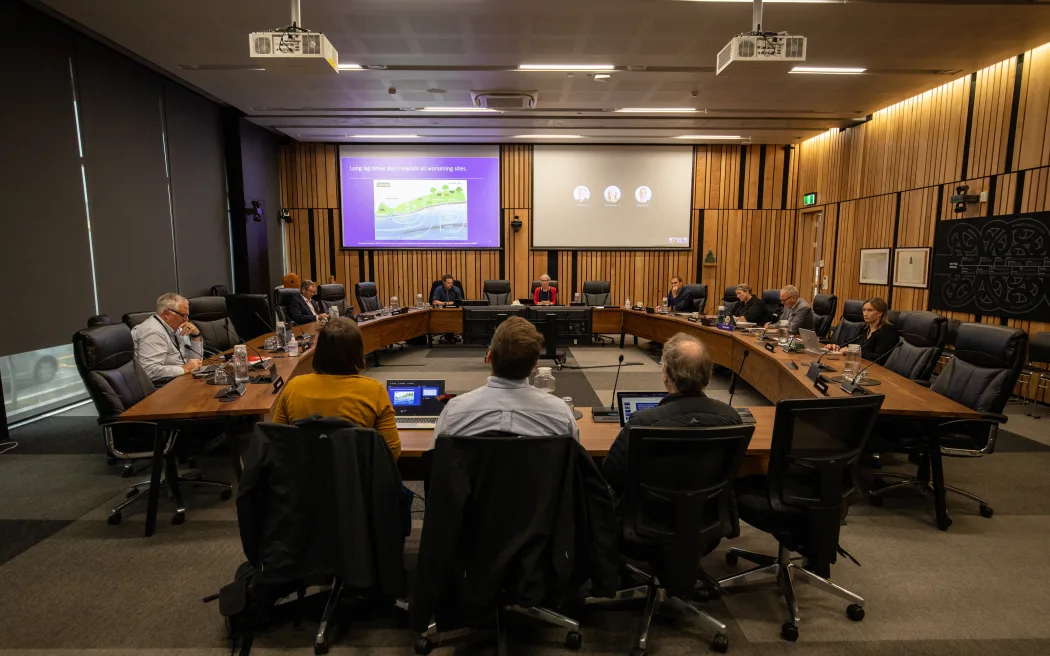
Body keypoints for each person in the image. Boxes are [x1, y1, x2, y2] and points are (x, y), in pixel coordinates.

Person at [602, 333, 741, 499]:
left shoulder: (642, 422)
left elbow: (612, 474)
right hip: (707, 517)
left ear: (666, 376)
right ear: (708, 376)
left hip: (650, 518)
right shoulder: (731, 419)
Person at [431, 317, 578, 444]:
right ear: (535, 365)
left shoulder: (454, 412)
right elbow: (573, 464)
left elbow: (437, 463)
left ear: (489, 357)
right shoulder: (560, 414)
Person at [273, 317, 400, 459]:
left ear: (319, 351)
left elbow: (276, 443)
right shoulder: (374, 391)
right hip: (356, 478)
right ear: (357, 352)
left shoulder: (294, 387)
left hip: (302, 478)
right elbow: (391, 451)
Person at [130, 293, 204, 383]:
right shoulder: (153, 332)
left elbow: (195, 362)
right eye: (183, 315)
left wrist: (195, 336)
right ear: (167, 314)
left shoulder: (176, 327)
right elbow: (149, 370)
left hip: (181, 378)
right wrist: (183, 369)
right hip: (164, 385)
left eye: (187, 315)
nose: (187, 320)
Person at [839, 297, 899, 362]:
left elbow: (879, 357)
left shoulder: (887, 331)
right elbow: (851, 344)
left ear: (880, 313)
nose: (865, 314)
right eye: (864, 310)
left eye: (870, 310)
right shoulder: (864, 328)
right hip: (860, 363)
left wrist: (854, 352)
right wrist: (837, 346)